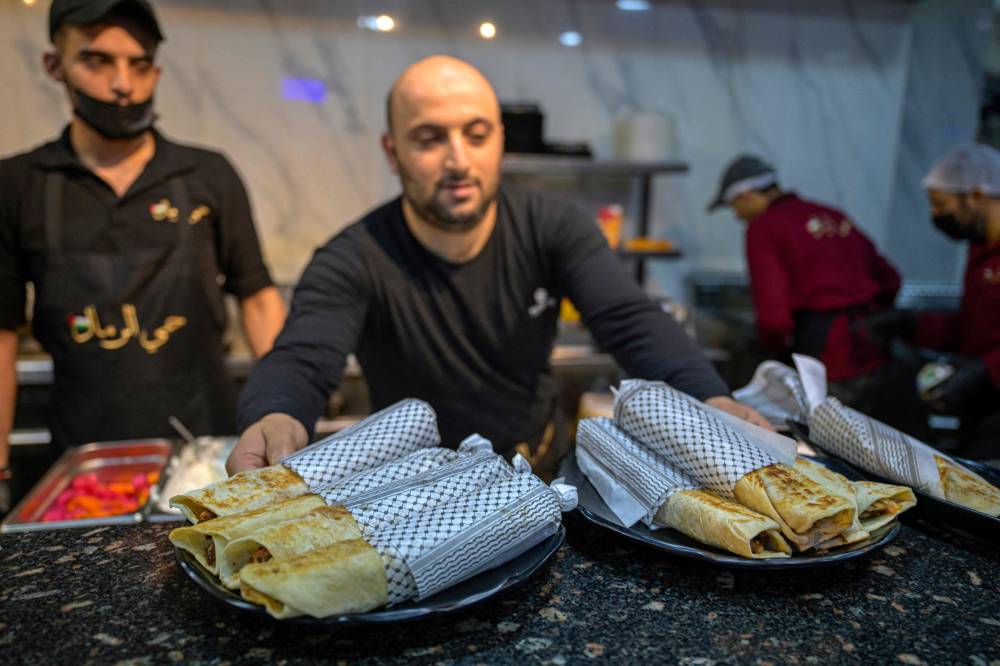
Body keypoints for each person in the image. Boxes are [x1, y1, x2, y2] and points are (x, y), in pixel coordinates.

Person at [230, 55, 771, 477]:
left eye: (476, 133)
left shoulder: (552, 226)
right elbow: (303, 354)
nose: (458, 160)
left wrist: (710, 396)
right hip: (413, 485)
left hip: (535, 467)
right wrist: (274, 415)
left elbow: (629, 318)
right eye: (429, 138)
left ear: (500, 142)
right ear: (392, 153)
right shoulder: (354, 256)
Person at [0, 0, 286, 507]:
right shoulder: (18, 184)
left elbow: (259, 298)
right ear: (54, 66)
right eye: (97, 61)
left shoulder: (208, 175)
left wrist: (285, 408)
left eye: (140, 64)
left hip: (210, 452)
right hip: (83, 465)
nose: (123, 86)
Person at [707, 155, 901, 409]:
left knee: (820, 442)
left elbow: (774, 320)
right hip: (874, 354)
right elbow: (891, 280)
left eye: (734, 205)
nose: (736, 215)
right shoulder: (830, 214)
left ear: (747, 195)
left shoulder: (764, 227)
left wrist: (772, 354)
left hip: (825, 362)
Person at [861, 144, 1000, 458]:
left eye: (941, 205)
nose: (936, 215)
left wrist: (987, 369)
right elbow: (972, 327)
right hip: (981, 408)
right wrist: (914, 324)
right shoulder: (980, 252)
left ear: (977, 195)